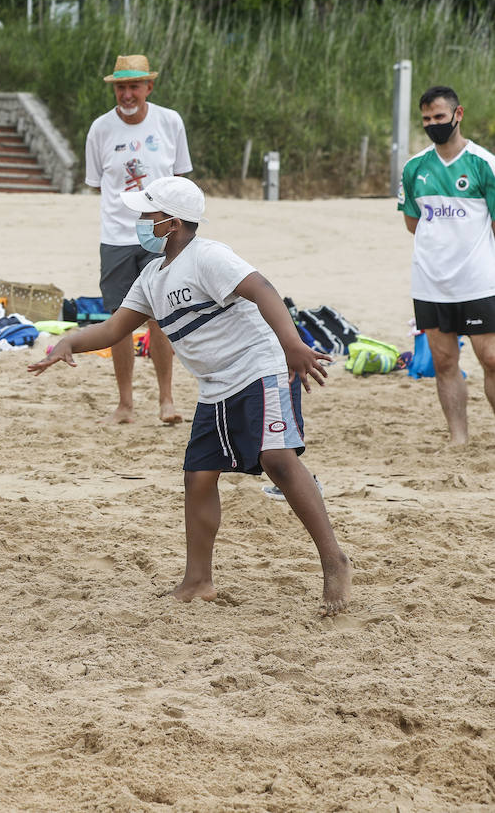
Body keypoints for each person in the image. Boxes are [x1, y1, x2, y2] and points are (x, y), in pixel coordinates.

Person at [28, 176, 352, 616]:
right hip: (216, 385)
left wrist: (292, 345)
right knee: (198, 476)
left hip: (260, 367)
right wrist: (69, 341)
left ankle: (334, 559)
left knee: (277, 458)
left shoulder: (208, 256)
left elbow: (262, 289)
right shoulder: (151, 276)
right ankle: (198, 580)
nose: (141, 222)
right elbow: (113, 329)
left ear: (171, 223)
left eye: (148, 215)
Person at [84, 53, 192, 425]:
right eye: (121, 87)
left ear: (149, 86)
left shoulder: (170, 122)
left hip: (161, 232)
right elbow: (99, 184)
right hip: (115, 236)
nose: (127, 94)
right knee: (119, 319)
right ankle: (125, 403)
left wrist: (181, 232)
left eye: (134, 86)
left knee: (161, 318)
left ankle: (167, 400)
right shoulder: (100, 129)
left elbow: (182, 181)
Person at [399, 85, 495, 445]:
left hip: (479, 280)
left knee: (491, 359)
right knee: (443, 362)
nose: (432, 124)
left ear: (458, 114)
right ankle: (459, 439)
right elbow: (412, 222)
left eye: (439, 116)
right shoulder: (414, 167)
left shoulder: (485, 164)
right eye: (426, 119)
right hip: (430, 282)